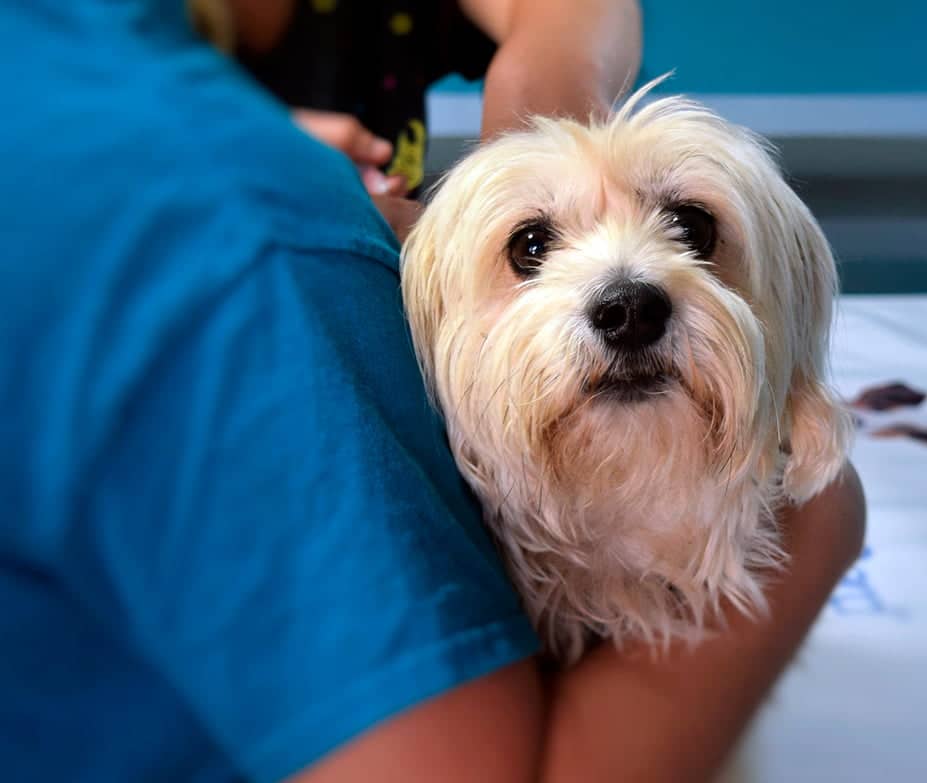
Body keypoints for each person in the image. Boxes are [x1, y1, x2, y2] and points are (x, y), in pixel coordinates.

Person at [0, 1, 866, 782]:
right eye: (532, 248)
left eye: (691, 225)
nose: (629, 290)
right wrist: (824, 519)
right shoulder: (252, 242)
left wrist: (528, 149)